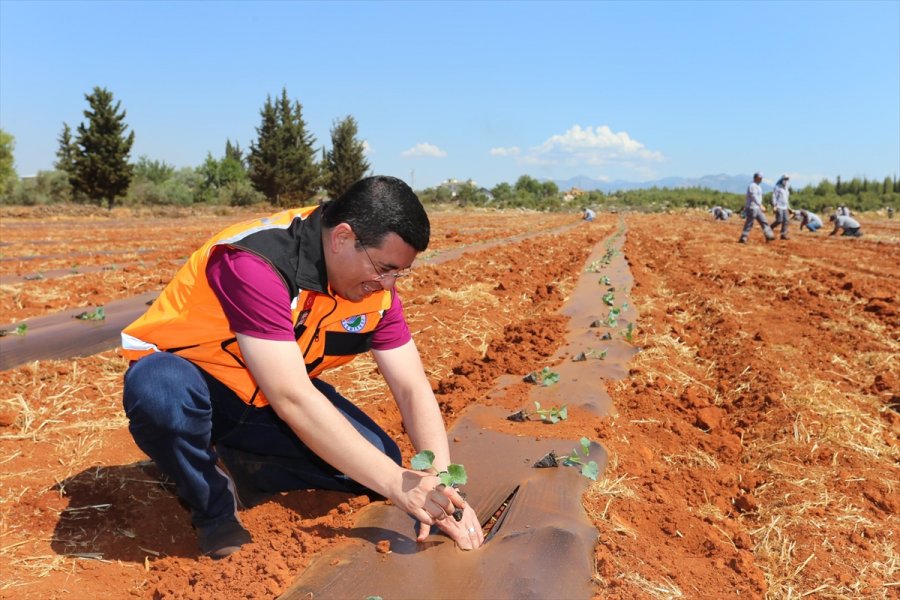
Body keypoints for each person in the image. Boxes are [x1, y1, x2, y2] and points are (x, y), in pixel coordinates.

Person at [120, 176, 484, 559]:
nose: (388, 284)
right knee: (159, 392)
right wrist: (399, 484)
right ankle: (213, 510)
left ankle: (232, 464)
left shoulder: (377, 294)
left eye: (399, 273)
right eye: (384, 268)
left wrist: (443, 486)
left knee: (376, 461)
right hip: (199, 386)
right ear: (342, 238)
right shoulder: (255, 260)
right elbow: (291, 396)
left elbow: (411, 387)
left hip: (264, 403)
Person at [739, 172, 775, 243]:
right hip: (752, 207)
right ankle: (743, 238)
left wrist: (759, 205)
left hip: (757, 208)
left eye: (761, 178)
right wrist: (760, 205)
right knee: (749, 223)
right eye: (759, 178)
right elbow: (754, 197)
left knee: (764, 221)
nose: (761, 179)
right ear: (755, 178)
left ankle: (769, 236)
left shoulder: (758, 186)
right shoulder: (752, 186)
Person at [770, 175, 791, 239]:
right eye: (785, 179)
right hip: (778, 206)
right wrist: (774, 206)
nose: (786, 180)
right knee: (779, 220)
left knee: (786, 220)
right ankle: (770, 227)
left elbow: (786, 199)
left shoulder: (786, 188)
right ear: (782, 179)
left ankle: (783, 235)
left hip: (785, 207)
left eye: (787, 179)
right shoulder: (777, 187)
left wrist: (789, 207)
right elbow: (774, 196)